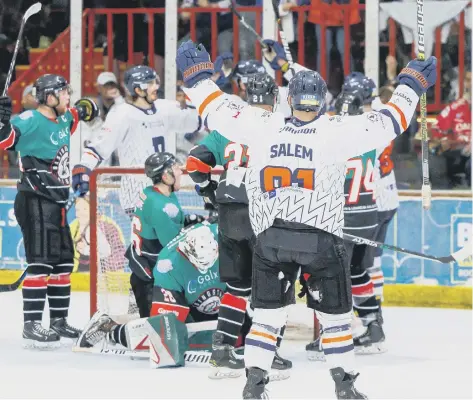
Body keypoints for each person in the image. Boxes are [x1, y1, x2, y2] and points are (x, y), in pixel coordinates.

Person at [175, 39, 436, 399]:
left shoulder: (261, 126)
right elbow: (391, 122)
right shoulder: (337, 130)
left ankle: (254, 385)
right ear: (322, 98)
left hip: (270, 240)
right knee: (334, 319)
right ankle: (344, 386)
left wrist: (198, 76)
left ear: (290, 99)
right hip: (321, 242)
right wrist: (410, 86)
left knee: (267, 319)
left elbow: (214, 107)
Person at [186, 73, 291, 379]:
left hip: (230, 215)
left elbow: (195, 162)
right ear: (273, 98)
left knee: (237, 288)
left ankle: (222, 351)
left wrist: (206, 190)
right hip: (264, 216)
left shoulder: (230, 125)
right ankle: (268, 353)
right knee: (274, 286)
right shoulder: (281, 126)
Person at [0, 74, 99, 348]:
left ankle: (58, 320)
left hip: (57, 202)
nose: (69, 96)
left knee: (63, 264)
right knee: (41, 263)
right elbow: (5, 141)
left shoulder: (65, 118)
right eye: (64, 92)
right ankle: (31, 324)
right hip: (34, 199)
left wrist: (87, 106)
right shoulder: (29, 120)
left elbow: (88, 110)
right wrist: (2, 121)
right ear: (49, 97)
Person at [76, 223, 224, 360]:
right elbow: (168, 326)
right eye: (202, 264)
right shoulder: (167, 266)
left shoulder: (223, 235)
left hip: (196, 293)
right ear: (187, 253)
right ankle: (111, 329)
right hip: (154, 285)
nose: (206, 268)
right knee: (165, 342)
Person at [71, 65, 201, 215]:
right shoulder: (121, 114)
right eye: (150, 83)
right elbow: (98, 148)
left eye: (155, 82)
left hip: (164, 189)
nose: (155, 87)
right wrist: (84, 166)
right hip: (136, 193)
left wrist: (193, 94)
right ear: (138, 90)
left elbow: (195, 122)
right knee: (144, 237)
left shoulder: (165, 108)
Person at [125, 151, 204, 319]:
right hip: (152, 278)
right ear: (165, 176)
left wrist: (190, 220)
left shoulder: (154, 193)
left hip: (150, 266)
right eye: (176, 168)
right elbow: (173, 245)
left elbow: (172, 222)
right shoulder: (160, 206)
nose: (181, 171)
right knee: (163, 332)